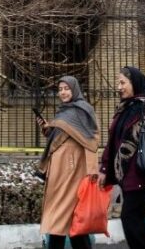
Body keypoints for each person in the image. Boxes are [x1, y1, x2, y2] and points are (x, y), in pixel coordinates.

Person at [98, 67, 145, 249]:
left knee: (130, 217)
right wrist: (104, 169)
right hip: (127, 176)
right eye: (118, 82)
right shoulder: (125, 108)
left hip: (142, 173)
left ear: (135, 83)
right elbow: (113, 142)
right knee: (133, 220)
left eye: (123, 82)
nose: (119, 87)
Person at [38, 76, 99, 249]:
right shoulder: (64, 112)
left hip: (73, 172)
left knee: (64, 217)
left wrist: (92, 171)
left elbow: (91, 139)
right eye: (60, 89)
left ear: (75, 89)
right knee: (67, 219)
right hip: (58, 172)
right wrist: (47, 129)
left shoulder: (83, 110)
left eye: (67, 88)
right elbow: (59, 137)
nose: (63, 92)